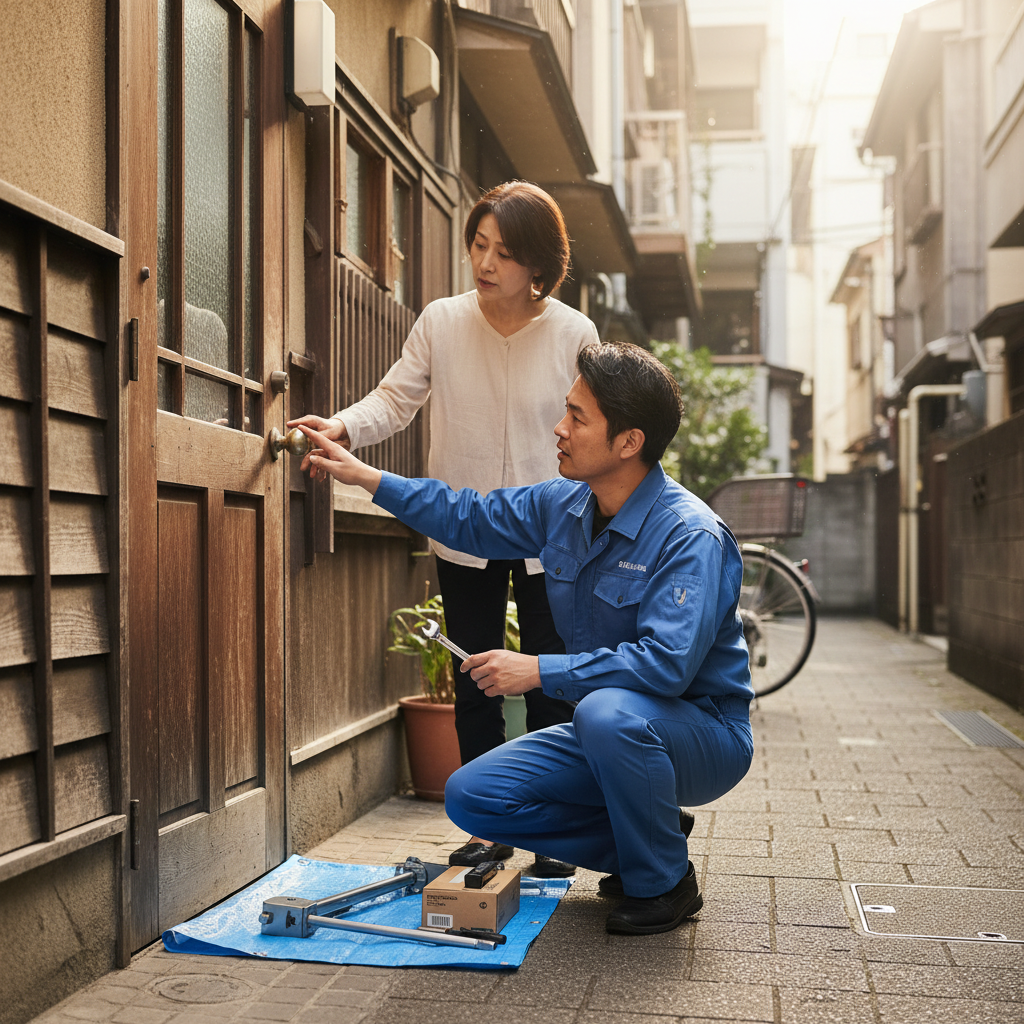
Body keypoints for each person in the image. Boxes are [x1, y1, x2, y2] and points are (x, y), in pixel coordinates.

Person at [295, 341, 755, 936]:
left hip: (702, 734)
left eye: (578, 417)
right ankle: (646, 837)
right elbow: (469, 516)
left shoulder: (689, 536)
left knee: (607, 712)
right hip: (611, 730)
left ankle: (663, 883)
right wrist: (364, 476)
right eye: (566, 410)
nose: (559, 429)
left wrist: (537, 670)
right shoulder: (564, 504)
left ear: (629, 442)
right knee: (472, 796)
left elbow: (664, 667)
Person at [288, 181, 599, 876]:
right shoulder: (442, 320)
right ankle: (490, 826)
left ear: (539, 267)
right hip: (464, 528)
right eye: (478, 245)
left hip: (553, 533)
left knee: (548, 682)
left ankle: (551, 831)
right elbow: (396, 399)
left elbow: (592, 423)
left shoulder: (575, 334)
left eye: (504, 252)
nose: (485, 263)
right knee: (476, 679)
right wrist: (340, 426)